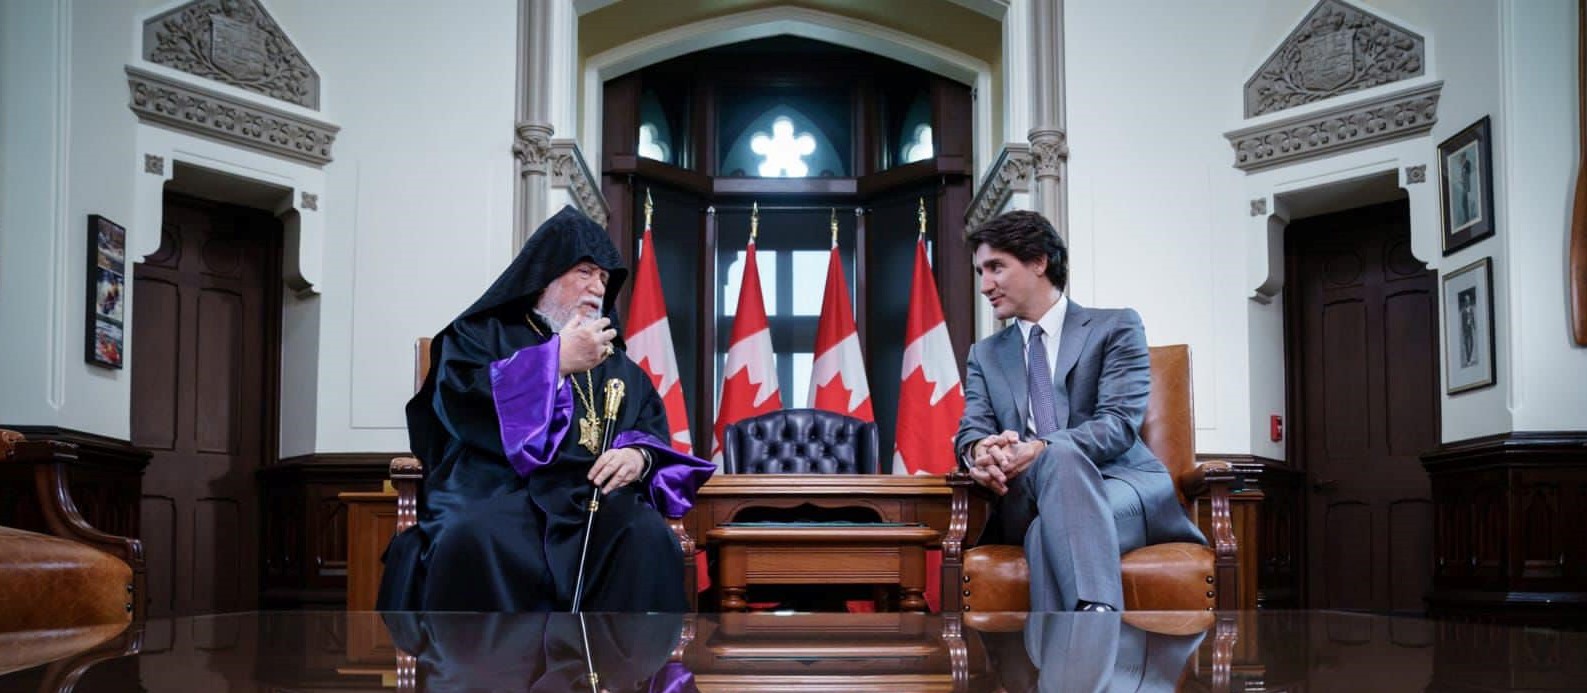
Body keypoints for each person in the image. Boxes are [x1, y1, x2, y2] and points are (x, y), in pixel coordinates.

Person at [377, 205, 716, 612]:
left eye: (605, 278)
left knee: (647, 537)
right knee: (471, 536)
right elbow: (459, 401)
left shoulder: (617, 362)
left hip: (590, 497)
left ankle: (625, 673)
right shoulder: (481, 334)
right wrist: (554, 363)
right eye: (585, 272)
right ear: (545, 276)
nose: (597, 287)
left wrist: (637, 456)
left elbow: (648, 427)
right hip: (498, 487)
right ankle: (492, 674)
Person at [955, 210, 1204, 613]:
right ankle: (1097, 625)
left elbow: (1119, 425)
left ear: (1039, 261)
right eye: (980, 271)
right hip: (1025, 496)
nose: (985, 285)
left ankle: (1070, 664)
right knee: (1052, 493)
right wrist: (981, 452)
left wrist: (1041, 448)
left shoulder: (1116, 327)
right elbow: (971, 431)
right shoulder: (985, 355)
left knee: (1045, 530)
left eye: (996, 267)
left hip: (1118, 485)